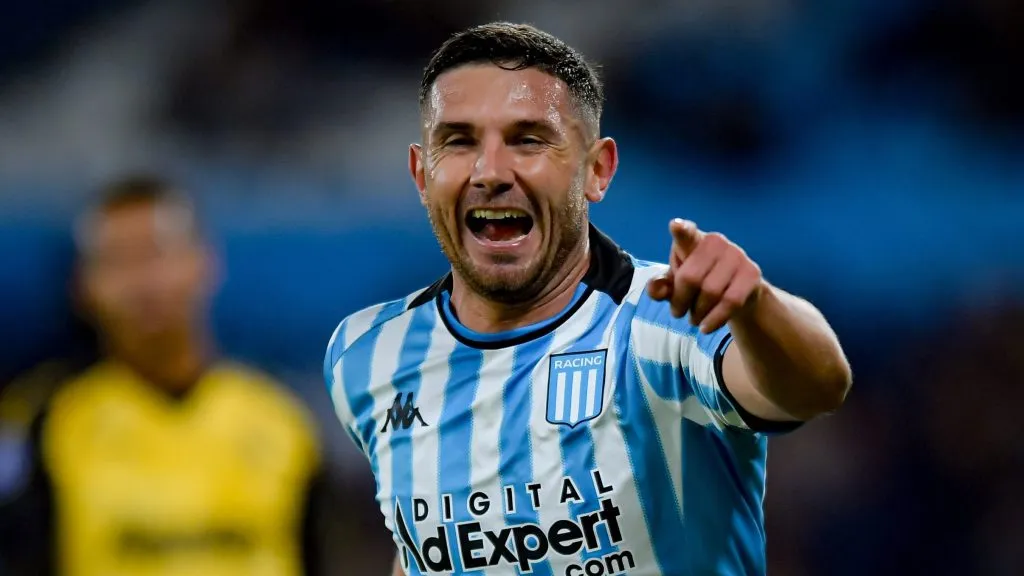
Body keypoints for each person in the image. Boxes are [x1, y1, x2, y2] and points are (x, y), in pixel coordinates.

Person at [325, 22, 852, 576]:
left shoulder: (663, 323)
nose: (490, 172)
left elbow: (815, 386)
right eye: (458, 141)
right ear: (420, 174)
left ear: (596, 170)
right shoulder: (365, 355)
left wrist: (756, 305)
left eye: (528, 139)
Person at [0, 175, 331, 576]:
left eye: (158, 253)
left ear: (204, 262)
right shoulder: (46, 423)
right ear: (83, 287)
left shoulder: (283, 420)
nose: (144, 282)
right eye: (119, 260)